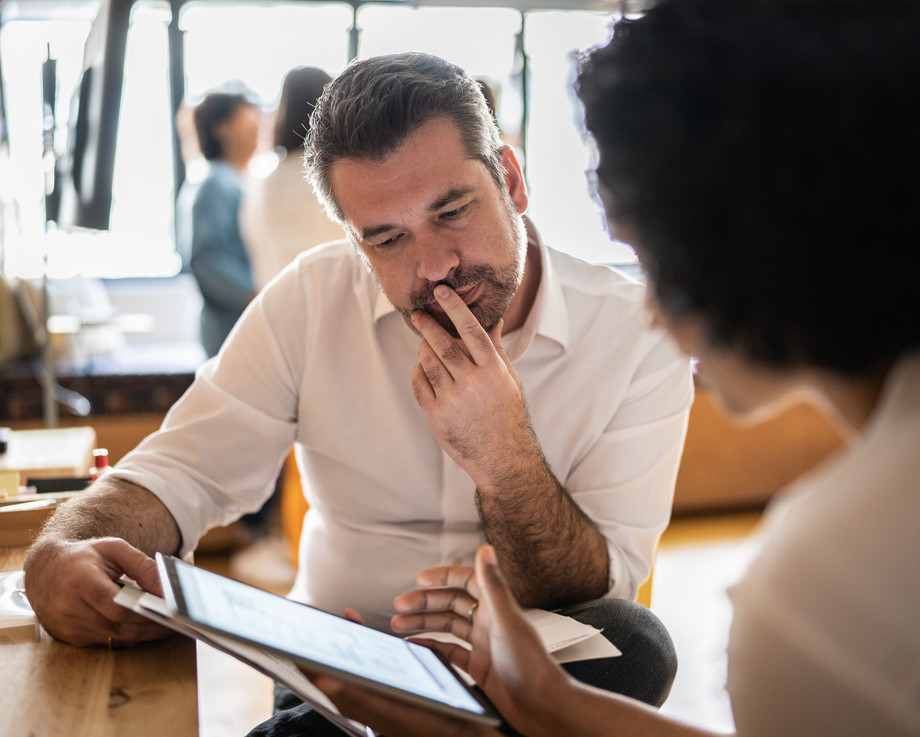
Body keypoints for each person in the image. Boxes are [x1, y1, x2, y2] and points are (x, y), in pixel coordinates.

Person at [22, 52, 693, 734]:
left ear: (512, 181)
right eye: (388, 239)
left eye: (453, 211)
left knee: (636, 643)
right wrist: (58, 551)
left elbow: (599, 587)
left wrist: (505, 456)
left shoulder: (638, 333)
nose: (435, 267)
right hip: (345, 660)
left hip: (525, 663)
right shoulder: (310, 299)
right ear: (354, 239)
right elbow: (177, 474)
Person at [303, 2, 920, 736]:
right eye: (386, 238)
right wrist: (555, 707)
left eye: (655, 264)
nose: (652, 313)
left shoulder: (822, 595)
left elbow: (610, 581)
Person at [240, 66, 345, 290]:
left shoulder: (261, 183)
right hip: (336, 296)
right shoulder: (335, 174)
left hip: (277, 299)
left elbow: (257, 253)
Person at [187, 90, 259, 358]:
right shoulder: (215, 184)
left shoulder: (240, 181)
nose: (257, 124)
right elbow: (207, 260)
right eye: (248, 117)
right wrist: (256, 294)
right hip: (230, 327)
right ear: (222, 129)